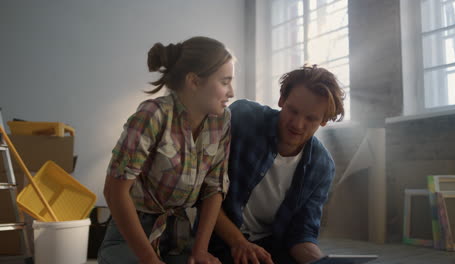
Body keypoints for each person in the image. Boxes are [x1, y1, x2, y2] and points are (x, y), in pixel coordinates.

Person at [98, 36, 234, 264]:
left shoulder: (221, 121)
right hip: (133, 234)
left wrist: (200, 251)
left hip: (180, 236)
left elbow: (214, 188)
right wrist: (150, 260)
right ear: (194, 81)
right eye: (225, 82)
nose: (231, 92)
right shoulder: (152, 115)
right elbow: (114, 192)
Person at [210, 65, 345, 264]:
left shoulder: (322, 166)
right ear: (282, 99)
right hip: (222, 237)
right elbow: (207, 190)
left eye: (310, 118)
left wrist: (320, 261)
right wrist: (239, 242)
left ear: (324, 121)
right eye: (292, 110)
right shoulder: (243, 118)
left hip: (273, 244)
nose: (297, 125)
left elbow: (301, 232)